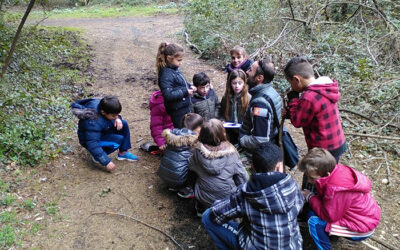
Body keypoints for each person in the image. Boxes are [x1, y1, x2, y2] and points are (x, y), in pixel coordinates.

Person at [201, 142, 304, 250]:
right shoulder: (293, 186)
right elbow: (299, 207)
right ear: (278, 167)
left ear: (253, 167)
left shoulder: (246, 193)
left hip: (255, 246)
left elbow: (216, 214)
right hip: (292, 246)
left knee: (207, 216)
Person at [299, 148, 381, 250]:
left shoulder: (336, 190)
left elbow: (328, 216)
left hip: (361, 227)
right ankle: (331, 235)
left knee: (313, 220)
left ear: (327, 174)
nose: (309, 181)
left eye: (312, 178)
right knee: (316, 211)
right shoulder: (337, 170)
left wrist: (309, 196)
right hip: (364, 218)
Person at [283, 56, 346, 163]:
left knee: (312, 177)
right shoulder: (325, 87)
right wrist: (290, 113)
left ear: (296, 79)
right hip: (337, 142)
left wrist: (293, 99)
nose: (292, 87)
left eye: (291, 83)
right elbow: (314, 113)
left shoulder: (309, 97)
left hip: (323, 150)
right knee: (329, 175)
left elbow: (297, 121)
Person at [190, 119, 248, 216]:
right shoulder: (232, 154)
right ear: (222, 134)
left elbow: (191, 168)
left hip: (203, 195)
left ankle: (201, 208)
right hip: (225, 199)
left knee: (195, 176)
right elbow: (243, 178)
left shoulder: (196, 151)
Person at [71, 96, 138, 172]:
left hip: (102, 130)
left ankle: (123, 153)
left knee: (123, 123)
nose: (115, 117)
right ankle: (97, 157)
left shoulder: (103, 106)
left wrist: (117, 119)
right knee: (118, 140)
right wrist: (106, 161)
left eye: (117, 114)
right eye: (113, 115)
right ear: (103, 112)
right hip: (90, 140)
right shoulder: (93, 122)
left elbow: (113, 116)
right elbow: (92, 143)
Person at [239, 56, 282, 152]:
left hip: (257, 153)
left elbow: (260, 140)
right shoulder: (271, 91)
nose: (247, 72)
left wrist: (242, 140)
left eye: (250, 70)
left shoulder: (260, 103)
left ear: (259, 78)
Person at [157, 113, 203, 196]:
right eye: (200, 126)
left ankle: (173, 185)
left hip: (164, 176)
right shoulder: (192, 144)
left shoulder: (174, 136)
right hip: (179, 181)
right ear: (194, 129)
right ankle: (187, 188)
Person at [156, 42, 196, 128]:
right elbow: (168, 94)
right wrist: (185, 91)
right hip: (177, 111)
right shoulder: (166, 74)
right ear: (169, 58)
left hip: (185, 107)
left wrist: (189, 86)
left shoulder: (175, 69)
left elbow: (180, 84)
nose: (181, 63)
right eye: (179, 60)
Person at [219, 69, 250, 144]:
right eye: (234, 83)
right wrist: (222, 120)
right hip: (229, 131)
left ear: (244, 84)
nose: (237, 86)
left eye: (240, 83)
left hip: (243, 132)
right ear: (230, 83)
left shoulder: (249, 98)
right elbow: (222, 113)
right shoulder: (226, 98)